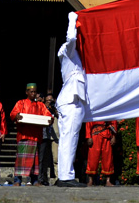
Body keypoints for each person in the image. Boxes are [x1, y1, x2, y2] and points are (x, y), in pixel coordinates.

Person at [55, 11, 87, 188]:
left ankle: (65, 175)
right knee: (69, 138)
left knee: (70, 138)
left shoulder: (76, 59)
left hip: (73, 100)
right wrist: (72, 19)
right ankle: (66, 176)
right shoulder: (68, 52)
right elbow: (71, 39)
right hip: (71, 101)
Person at [10, 83, 53, 186]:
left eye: (35, 92)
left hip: (35, 136)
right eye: (31, 92)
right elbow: (13, 113)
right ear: (27, 92)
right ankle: (17, 180)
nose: (33, 94)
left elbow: (48, 115)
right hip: (24, 135)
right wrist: (17, 116)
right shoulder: (21, 103)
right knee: (20, 159)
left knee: (35, 161)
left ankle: (34, 180)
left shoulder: (41, 105)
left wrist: (50, 120)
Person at [85, 120, 118, 186]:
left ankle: (108, 180)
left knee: (108, 158)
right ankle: (91, 180)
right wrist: (89, 136)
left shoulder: (109, 109)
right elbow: (88, 122)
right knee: (92, 158)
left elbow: (113, 121)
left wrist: (114, 136)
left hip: (107, 135)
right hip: (95, 135)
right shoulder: (93, 109)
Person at [38, 93, 59, 186]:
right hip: (45, 135)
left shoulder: (56, 109)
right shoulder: (42, 108)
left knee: (56, 158)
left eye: (51, 100)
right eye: (48, 100)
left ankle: (58, 178)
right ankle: (42, 178)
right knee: (43, 159)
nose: (49, 102)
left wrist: (55, 110)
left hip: (55, 136)